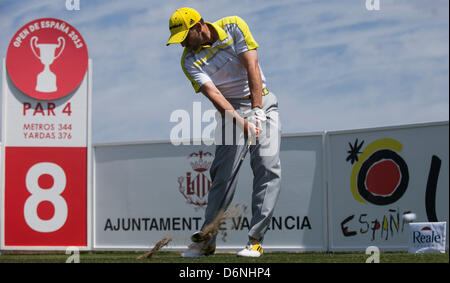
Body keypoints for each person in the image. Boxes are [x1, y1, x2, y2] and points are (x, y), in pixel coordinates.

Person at [166, 7, 281, 258]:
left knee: (267, 167)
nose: (182, 44)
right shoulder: (188, 60)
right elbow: (215, 96)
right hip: (231, 112)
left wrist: (258, 109)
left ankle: (255, 240)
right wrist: (243, 123)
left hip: (261, 100)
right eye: (178, 40)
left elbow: (252, 65)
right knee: (223, 175)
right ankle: (207, 239)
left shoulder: (233, 25)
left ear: (199, 26)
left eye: (185, 37)